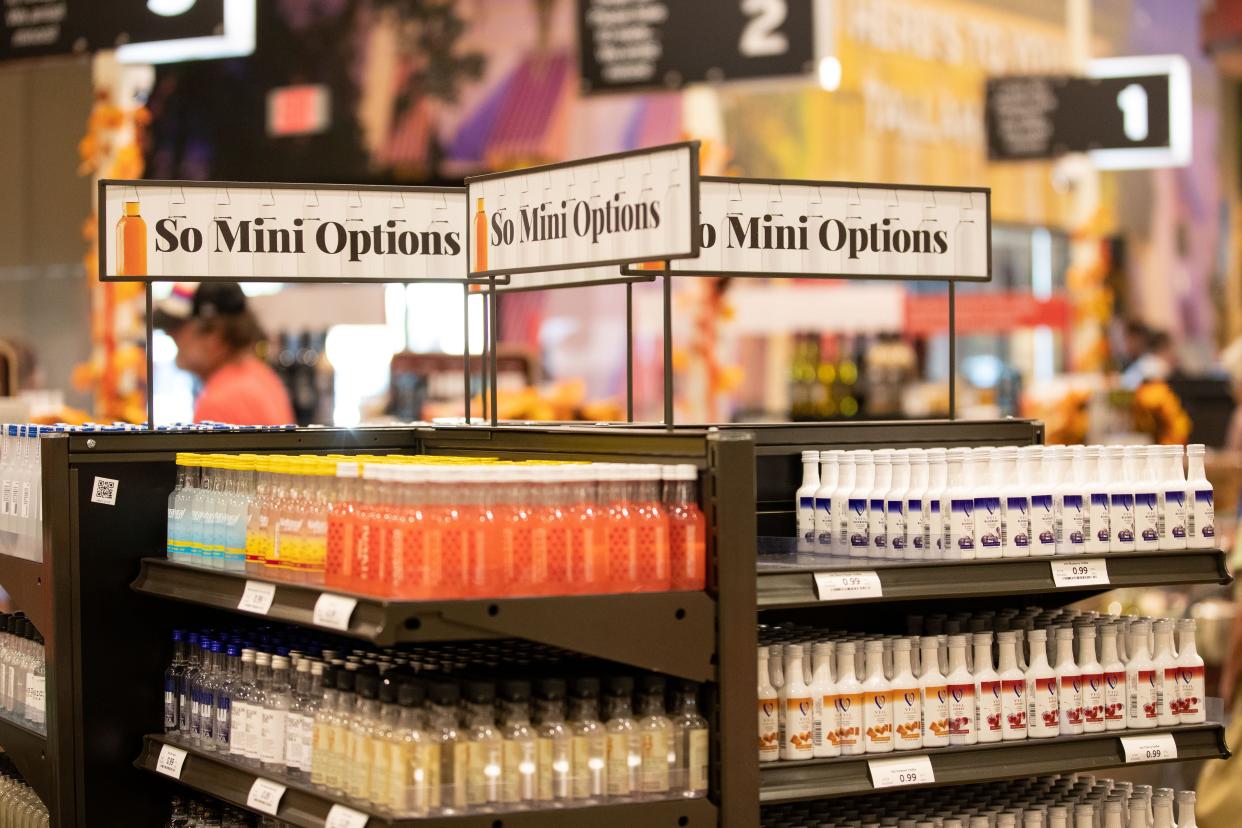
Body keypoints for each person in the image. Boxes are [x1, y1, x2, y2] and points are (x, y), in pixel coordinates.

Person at [154, 282, 295, 425]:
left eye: (175, 327)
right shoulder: (261, 375)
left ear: (215, 335)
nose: (169, 334)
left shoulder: (218, 404)